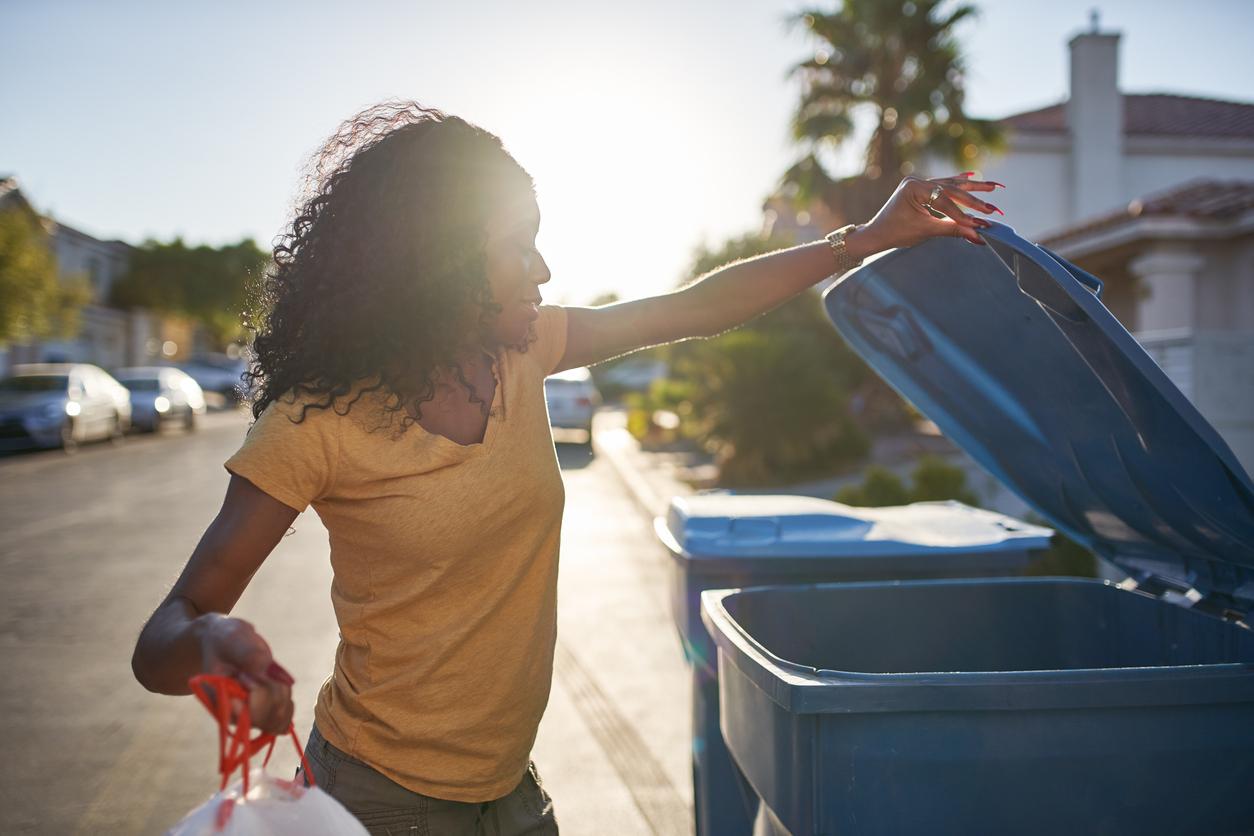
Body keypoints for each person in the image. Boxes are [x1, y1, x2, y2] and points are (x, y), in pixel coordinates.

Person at [131, 100, 1001, 834]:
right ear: (434, 266)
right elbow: (166, 631)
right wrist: (209, 644)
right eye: (518, 246)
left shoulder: (522, 352)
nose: (544, 270)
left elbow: (696, 306)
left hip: (512, 795)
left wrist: (864, 239)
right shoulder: (316, 421)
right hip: (377, 799)